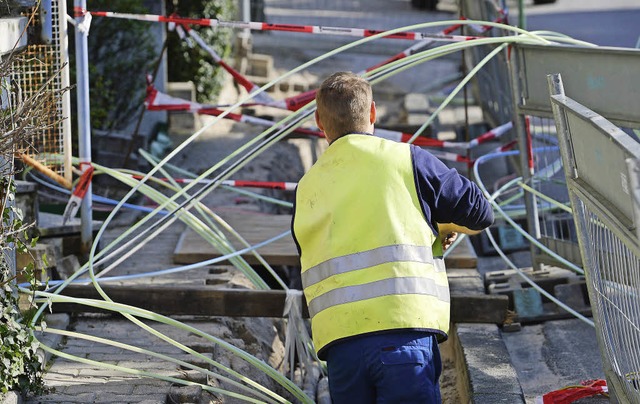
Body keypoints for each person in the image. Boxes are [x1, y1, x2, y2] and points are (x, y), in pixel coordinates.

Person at [291, 71, 494, 403]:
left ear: (318, 121)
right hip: (404, 335)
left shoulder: (306, 188)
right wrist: (442, 228)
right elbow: (479, 212)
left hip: (341, 347)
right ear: (372, 112)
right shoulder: (406, 160)